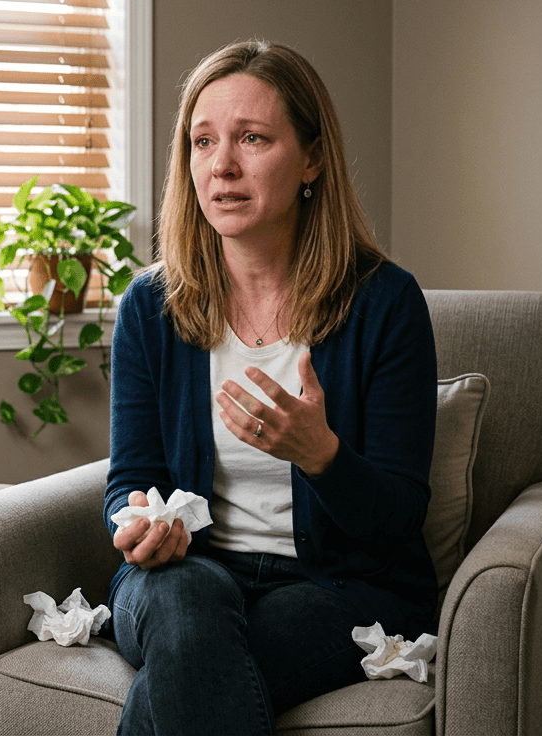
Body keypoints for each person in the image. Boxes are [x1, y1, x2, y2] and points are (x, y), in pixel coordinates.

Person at [104, 40, 439, 735]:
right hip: (186, 575)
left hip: (335, 587)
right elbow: (129, 479)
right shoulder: (149, 307)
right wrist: (136, 523)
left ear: (312, 159)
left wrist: (323, 456)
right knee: (187, 605)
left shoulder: (386, 304)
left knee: (193, 665)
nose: (221, 165)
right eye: (203, 142)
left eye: (252, 138)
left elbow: (400, 516)